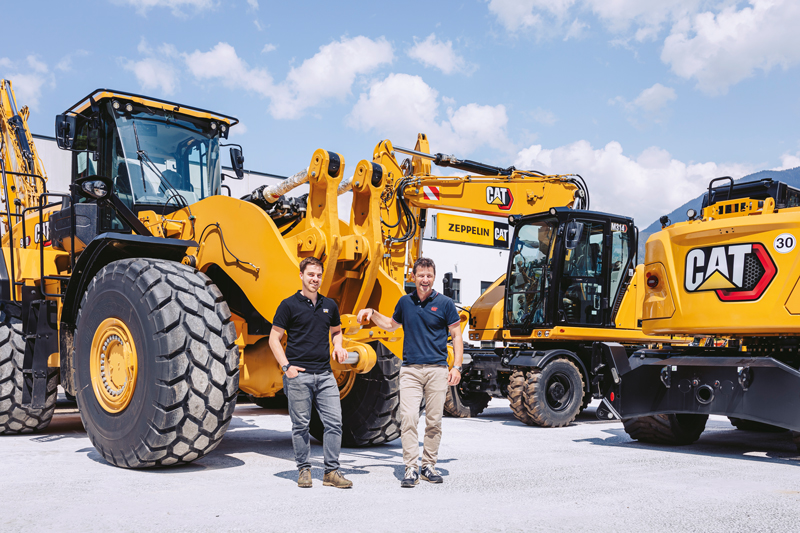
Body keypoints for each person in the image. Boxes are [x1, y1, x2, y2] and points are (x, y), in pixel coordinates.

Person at [356, 257, 463, 488]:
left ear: (433, 278)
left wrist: (457, 366)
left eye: (429, 275)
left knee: (434, 421)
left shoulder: (445, 303)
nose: (425, 280)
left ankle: (429, 465)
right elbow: (390, 325)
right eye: (421, 275)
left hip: (437, 370)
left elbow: (456, 335)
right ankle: (411, 468)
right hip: (411, 371)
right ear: (413, 277)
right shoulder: (405, 302)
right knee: (408, 419)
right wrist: (372, 312)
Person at [269, 257, 352, 489]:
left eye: (318, 275)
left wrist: (338, 345)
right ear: (301, 276)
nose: (315, 279)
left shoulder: (330, 305)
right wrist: (287, 368)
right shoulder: (288, 305)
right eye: (310, 275)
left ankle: (331, 472)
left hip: (325, 375)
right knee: (300, 426)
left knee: (335, 423)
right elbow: (274, 338)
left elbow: (336, 330)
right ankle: (304, 469)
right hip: (299, 376)